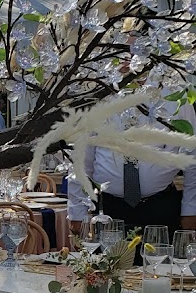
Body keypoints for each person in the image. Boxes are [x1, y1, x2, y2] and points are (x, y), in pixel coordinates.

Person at [67, 100, 196, 241]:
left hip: (160, 206)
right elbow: (80, 158)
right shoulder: (98, 95)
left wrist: (191, 209)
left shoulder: (175, 96)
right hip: (108, 208)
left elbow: (192, 157)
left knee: (161, 254)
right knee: (107, 255)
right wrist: (77, 211)